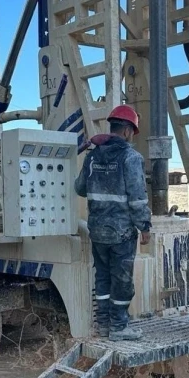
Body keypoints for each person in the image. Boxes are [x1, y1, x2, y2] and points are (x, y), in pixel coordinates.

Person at [74, 105, 151, 341]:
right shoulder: (131, 157)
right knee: (122, 281)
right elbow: (138, 198)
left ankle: (104, 326)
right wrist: (145, 226)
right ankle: (119, 327)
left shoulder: (93, 155)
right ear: (127, 130)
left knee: (103, 278)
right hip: (122, 233)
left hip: (97, 230)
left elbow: (79, 188)